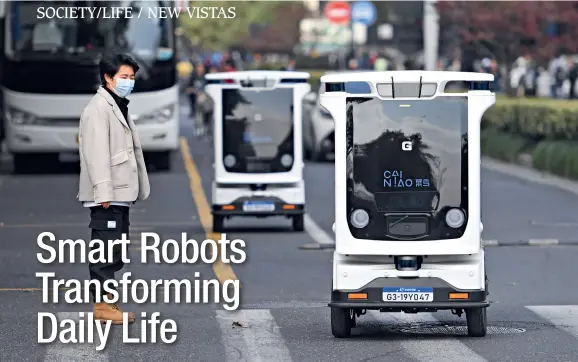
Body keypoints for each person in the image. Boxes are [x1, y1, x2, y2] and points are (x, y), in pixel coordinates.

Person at [77, 53, 150, 324]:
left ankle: (107, 302)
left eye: (131, 77)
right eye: (123, 77)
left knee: (114, 248)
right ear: (108, 78)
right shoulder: (98, 109)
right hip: (108, 195)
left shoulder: (117, 105)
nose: (129, 82)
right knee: (105, 249)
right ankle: (102, 307)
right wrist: (103, 192)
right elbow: (95, 153)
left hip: (120, 193)